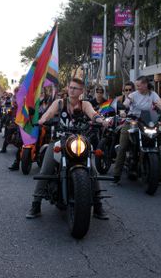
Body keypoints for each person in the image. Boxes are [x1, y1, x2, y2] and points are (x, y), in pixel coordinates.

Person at [25, 78, 109, 220]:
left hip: (79, 141)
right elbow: (48, 114)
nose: (72, 90)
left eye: (75, 88)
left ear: (81, 91)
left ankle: (98, 206)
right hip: (59, 140)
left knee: (92, 170)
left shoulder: (85, 104)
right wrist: (42, 121)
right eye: (70, 87)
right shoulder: (59, 103)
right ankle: (36, 204)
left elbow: (94, 115)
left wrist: (102, 121)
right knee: (46, 169)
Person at [112, 76, 161, 186]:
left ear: (145, 85)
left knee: (156, 147)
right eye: (136, 85)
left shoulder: (152, 94)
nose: (137, 87)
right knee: (123, 146)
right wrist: (122, 111)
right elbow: (126, 103)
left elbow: (159, 103)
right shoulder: (133, 95)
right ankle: (116, 176)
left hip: (148, 122)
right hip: (132, 121)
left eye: (139, 85)